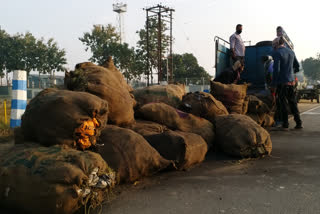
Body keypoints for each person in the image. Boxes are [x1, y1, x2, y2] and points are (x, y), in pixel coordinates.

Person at [271, 36, 303, 130]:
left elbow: (276, 69)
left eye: (273, 45)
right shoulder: (291, 52)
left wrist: (273, 84)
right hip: (291, 82)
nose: (273, 47)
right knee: (293, 103)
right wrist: (290, 73)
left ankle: (285, 124)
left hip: (282, 82)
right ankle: (299, 123)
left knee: (282, 103)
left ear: (277, 44)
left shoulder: (277, 53)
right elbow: (297, 66)